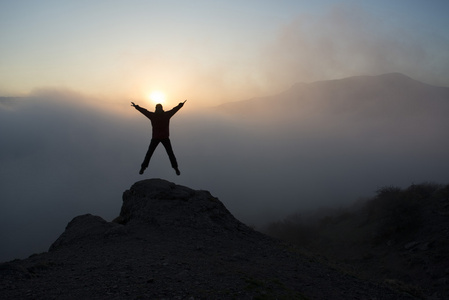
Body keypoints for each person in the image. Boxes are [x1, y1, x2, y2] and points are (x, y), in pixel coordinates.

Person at [131, 100, 186, 175]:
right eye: (158, 108)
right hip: (158, 138)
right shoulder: (163, 115)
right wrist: (137, 107)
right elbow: (145, 111)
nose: (159, 110)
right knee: (152, 153)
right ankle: (143, 168)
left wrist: (180, 105)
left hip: (160, 138)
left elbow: (174, 110)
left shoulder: (156, 116)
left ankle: (175, 168)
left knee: (167, 153)